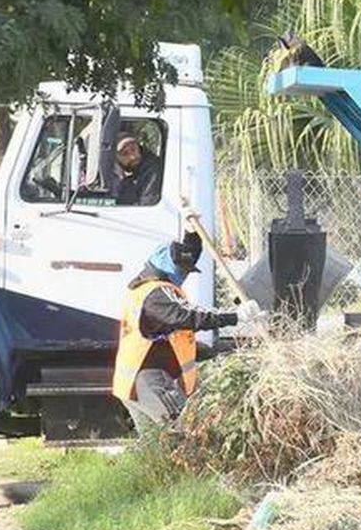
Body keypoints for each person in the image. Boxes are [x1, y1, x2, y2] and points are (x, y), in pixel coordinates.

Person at [112, 232, 262, 431]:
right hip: (150, 382)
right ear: (167, 267)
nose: (184, 275)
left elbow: (185, 255)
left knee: (159, 447)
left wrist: (192, 233)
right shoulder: (157, 294)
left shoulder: (144, 288)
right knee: (183, 433)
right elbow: (189, 316)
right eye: (182, 270)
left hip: (133, 384)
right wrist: (235, 316)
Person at [113, 134, 162, 206]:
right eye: (125, 153)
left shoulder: (152, 170)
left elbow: (147, 205)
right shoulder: (126, 175)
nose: (132, 157)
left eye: (133, 149)